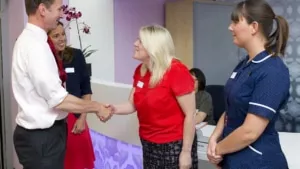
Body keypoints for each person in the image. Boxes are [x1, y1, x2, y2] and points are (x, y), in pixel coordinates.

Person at [11, 1, 111, 169]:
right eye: (58, 9)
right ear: (42, 10)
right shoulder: (36, 47)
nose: (61, 14)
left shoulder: (30, 40)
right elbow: (58, 99)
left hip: (40, 137)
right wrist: (97, 107)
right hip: (43, 139)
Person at [207, 0, 290, 169]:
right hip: (233, 154)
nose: (230, 27)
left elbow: (249, 132)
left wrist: (219, 150)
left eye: (236, 22)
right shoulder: (245, 64)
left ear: (254, 27)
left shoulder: (272, 71)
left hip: (257, 161)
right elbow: (232, 107)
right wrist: (214, 137)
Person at [106, 25, 198, 169]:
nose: (135, 43)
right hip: (148, 142)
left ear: (153, 47)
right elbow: (133, 103)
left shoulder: (176, 71)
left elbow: (190, 115)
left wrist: (186, 152)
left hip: (174, 144)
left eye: (140, 41)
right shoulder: (141, 70)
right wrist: (113, 109)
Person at [48, 21, 95, 169]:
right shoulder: (44, 59)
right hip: (53, 122)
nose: (62, 38)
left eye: (63, 34)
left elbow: (86, 90)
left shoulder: (76, 55)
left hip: (76, 119)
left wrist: (82, 117)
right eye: (56, 36)